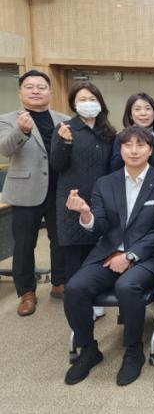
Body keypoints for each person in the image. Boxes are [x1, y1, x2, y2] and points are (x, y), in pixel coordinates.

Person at [63, 126, 154, 386]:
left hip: (149, 256)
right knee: (75, 288)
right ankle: (88, 349)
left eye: (140, 145)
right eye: (128, 145)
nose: (134, 150)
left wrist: (131, 256)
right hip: (109, 253)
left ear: (150, 150)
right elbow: (100, 226)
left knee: (127, 286)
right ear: (120, 149)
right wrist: (86, 214)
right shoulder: (105, 183)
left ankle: (133, 350)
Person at [0, 70, 68, 315]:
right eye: (29, 87)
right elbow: (4, 149)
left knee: (60, 241)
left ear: (50, 92)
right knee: (24, 244)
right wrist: (21, 131)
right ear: (20, 92)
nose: (36, 91)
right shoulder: (7, 120)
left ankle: (59, 283)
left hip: (58, 190)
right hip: (25, 190)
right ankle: (26, 292)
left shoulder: (64, 119)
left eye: (41, 87)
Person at [51, 82, 116, 288]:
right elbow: (57, 165)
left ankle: (95, 296)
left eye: (92, 99)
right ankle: (76, 298)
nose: (88, 103)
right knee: (75, 256)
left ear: (100, 103)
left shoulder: (108, 132)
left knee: (98, 251)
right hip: (73, 201)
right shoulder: (65, 128)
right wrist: (64, 143)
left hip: (100, 200)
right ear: (74, 104)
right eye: (82, 99)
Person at [111, 92, 154, 170]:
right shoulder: (121, 137)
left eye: (148, 109)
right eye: (137, 109)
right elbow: (115, 167)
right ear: (130, 115)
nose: (143, 113)